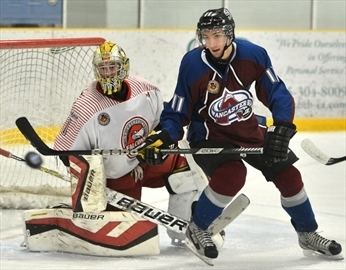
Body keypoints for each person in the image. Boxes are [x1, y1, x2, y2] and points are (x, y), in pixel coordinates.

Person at [138, 8, 343, 260]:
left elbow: (276, 91)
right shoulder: (192, 64)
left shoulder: (253, 55)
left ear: (229, 34)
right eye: (206, 36)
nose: (211, 43)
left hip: (247, 128)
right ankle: (197, 227)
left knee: (289, 174)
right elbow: (179, 108)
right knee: (232, 175)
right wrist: (165, 135)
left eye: (217, 35)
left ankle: (307, 233)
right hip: (208, 134)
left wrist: (282, 125)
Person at [24, 41, 209, 256]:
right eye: (102, 68)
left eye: (112, 67)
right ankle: (68, 215)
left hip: (146, 161)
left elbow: (167, 120)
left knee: (184, 168)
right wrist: (93, 180)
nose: (107, 73)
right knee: (124, 229)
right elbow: (67, 155)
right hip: (118, 177)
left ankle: (186, 231)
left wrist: (160, 142)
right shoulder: (86, 108)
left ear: (124, 67)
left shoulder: (146, 90)